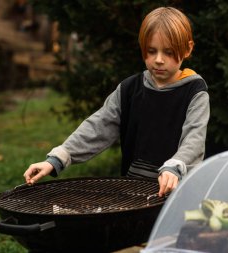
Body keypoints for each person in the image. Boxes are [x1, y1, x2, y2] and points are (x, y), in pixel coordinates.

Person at [23, 6, 210, 197]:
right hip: (134, 194)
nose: (159, 60)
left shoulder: (195, 92)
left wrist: (174, 168)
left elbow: (193, 140)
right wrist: (57, 158)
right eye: (151, 51)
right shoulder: (129, 89)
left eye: (169, 52)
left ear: (187, 49)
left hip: (179, 194)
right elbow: (99, 125)